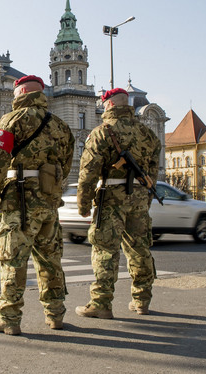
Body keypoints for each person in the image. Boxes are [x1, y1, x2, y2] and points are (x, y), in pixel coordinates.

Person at [0, 75, 75, 335]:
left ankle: (10, 319)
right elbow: (65, 166)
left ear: (19, 93)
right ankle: (55, 314)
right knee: (50, 259)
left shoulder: (12, 120)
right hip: (49, 200)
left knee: (13, 258)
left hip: (20, 201)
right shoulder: (61, 126)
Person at [76, 87, 161, 319]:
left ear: (110, 105)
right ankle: (142, 299)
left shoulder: (102, 132)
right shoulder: (148, 134)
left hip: (111, 198)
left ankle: (101, 302)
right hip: (140, 198)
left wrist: (83, 205)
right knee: (140, 248)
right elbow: (153, 172)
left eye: (104, 105)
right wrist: (146, 198)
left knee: (105, 249)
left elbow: (88, 173)